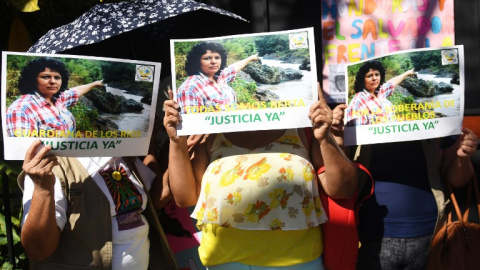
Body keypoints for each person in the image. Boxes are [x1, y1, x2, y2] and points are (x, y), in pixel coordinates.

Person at [164, 84, 358, 269]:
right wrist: (176, 141)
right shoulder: (210, 135)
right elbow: (185, 198)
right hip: (224, 264)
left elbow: (343, 189)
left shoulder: (304, 129)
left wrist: (325, 138)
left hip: (299, 263)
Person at [331, 105, 478, 269]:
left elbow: (457, 181)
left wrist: (463, 156)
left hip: (430, 234)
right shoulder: (358, 113)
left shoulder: (437, 115)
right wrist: (337, 134)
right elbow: (340, 175)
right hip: (372, 234)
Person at [18, 139, 177, 269]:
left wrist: (178, 142)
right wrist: (42, 188)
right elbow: (37, 250)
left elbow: (156, 198)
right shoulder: (51, 167)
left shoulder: (119, 151)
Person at [6, 57, 103, 137]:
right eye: (45, 77)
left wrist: (94, 84)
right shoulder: (21, 108)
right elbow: (21, 151)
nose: (53, 81)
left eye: (57, 77)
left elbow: (75, 92)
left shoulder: (57, 100)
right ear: (32, 79)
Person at [175, 41, 259, 114]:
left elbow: (233, 68)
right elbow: (190, 126)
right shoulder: (190, 88)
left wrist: (251, 58)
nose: (214, 61)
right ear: (197, 61)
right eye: (207, 58)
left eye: (217, 57)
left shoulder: (219, 78)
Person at [344, 60, 415, 126]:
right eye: (369, 76)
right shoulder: (357, 104)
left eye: (377, 74)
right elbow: (358, 135)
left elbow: (392, 82)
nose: (374, 78)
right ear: (362, 80)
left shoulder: (380, 92)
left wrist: (407, 73)